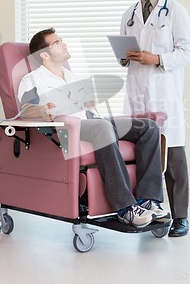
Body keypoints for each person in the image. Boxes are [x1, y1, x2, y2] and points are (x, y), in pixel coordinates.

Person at [17, 28, 170, 228]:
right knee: (102, 127)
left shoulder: (73, 77)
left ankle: (148, 199)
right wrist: (42, 111)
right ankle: (125, 208)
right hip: (70, 127)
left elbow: (91, 108)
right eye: (57, 43)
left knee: (148, 127)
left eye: (61, 40)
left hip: (95, 122)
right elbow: (25, 110)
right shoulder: (33, 79)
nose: (64, 44)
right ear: (44, 54)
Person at [119, 0, 190, 237]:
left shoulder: (175, 11)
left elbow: (188, 51)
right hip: (138, 94)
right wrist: (124, 58)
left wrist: (158, 59)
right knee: (143, 157)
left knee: (173, 158)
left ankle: (181, 217)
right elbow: (125, 53)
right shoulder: (128, 14)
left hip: (164, 94)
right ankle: (148, 209)